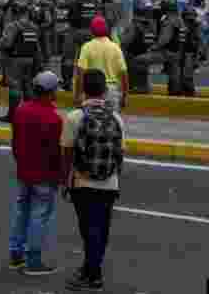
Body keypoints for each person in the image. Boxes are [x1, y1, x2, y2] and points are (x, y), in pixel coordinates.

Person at [61, 69, 123, 292]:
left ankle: (93, 275)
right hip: (109, 182)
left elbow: (67, 154)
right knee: (102, 229)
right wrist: (116, 180)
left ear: (83, 90)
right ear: (105, 91)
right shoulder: (116, 118)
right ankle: (90, 269)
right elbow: (119, 154)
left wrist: (65, 182)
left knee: (88, 230)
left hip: (83, 182)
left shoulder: (74, 117)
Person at [8, 71, 63, 276]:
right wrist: (60, 177)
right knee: (39, 215)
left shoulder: (21, 111)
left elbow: (15, 143)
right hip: (44, 174)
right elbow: (55, 153)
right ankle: (33, 260)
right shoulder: (53, 118)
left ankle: (16, 253)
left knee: (22, 211)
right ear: (50, 92)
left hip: (24, 170)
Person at [74, 16, 128, 112]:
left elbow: (80, 73)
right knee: (111, 123)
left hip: (92, 93)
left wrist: (78, 94)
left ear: (92, 31)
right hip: (112, 92)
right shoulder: (115, 48)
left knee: (90, 123)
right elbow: (124, 74)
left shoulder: (87, 47)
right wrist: (124, 96)